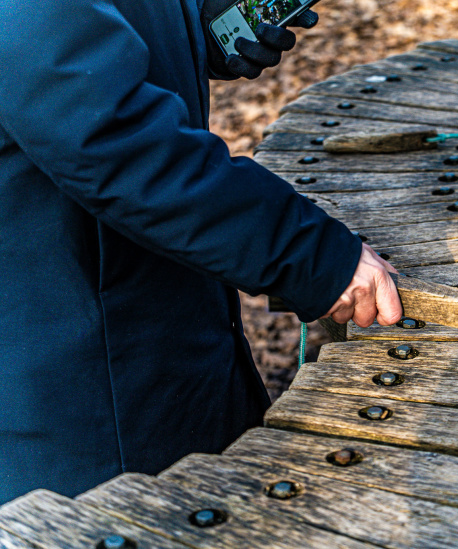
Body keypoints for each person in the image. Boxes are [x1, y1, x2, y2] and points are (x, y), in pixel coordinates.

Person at [0, 0, 402, 504]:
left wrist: (195, 27)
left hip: (157, 343)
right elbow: (115, 144)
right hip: (82, 404)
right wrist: (313, 255)